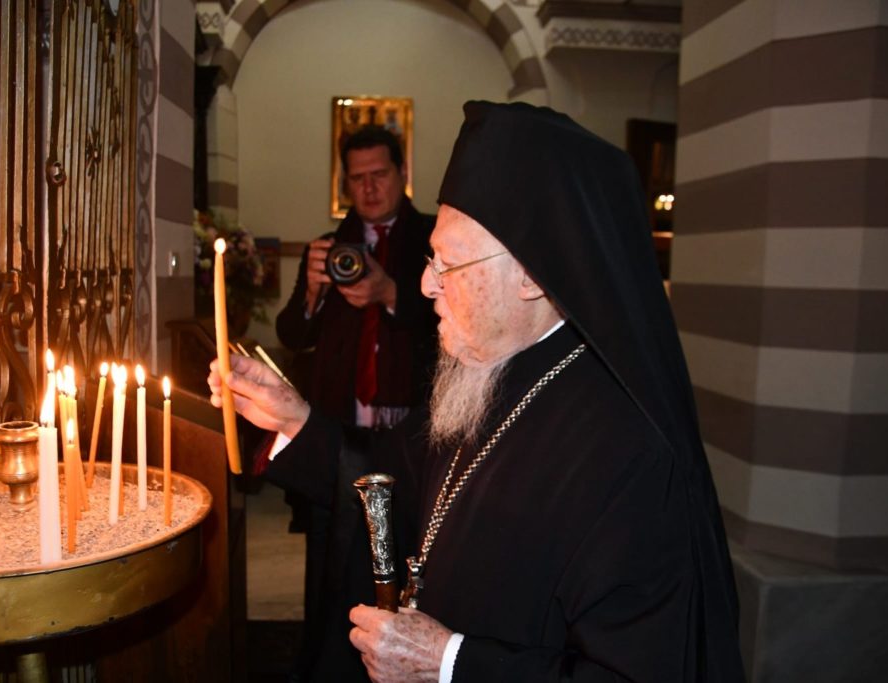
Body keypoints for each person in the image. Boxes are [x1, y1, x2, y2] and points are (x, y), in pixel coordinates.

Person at [212, 101, 745, 681]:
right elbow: (394, 472)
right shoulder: (487, 369)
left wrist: (449, 662)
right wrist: (293, 417)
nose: (424, 285)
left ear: (533, 277)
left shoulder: (631, 457)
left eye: (450, 264)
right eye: (428, 256)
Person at [274, 124, 438, 680]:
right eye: (357, 178)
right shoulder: (333, 244)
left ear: (402, 174)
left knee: (410, 559)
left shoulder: (434, 239)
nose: (368, 189)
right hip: (339, 432)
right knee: (330, 561)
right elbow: (292, 333)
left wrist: (392, 292)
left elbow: (446, 331)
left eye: (380, 175)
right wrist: (315, 291)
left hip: (413, 430)